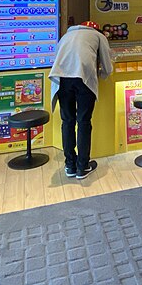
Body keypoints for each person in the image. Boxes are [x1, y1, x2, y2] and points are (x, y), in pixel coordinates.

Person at [49, 21, 113, 179]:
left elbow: (56, 59)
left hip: (62, 80)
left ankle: (70, 165)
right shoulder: (98, 36)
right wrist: (102, 75)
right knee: (83, 121)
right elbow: (107, 66)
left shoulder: (66, 36)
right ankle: (82, 166)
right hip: (83, 79)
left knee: (67, 121)